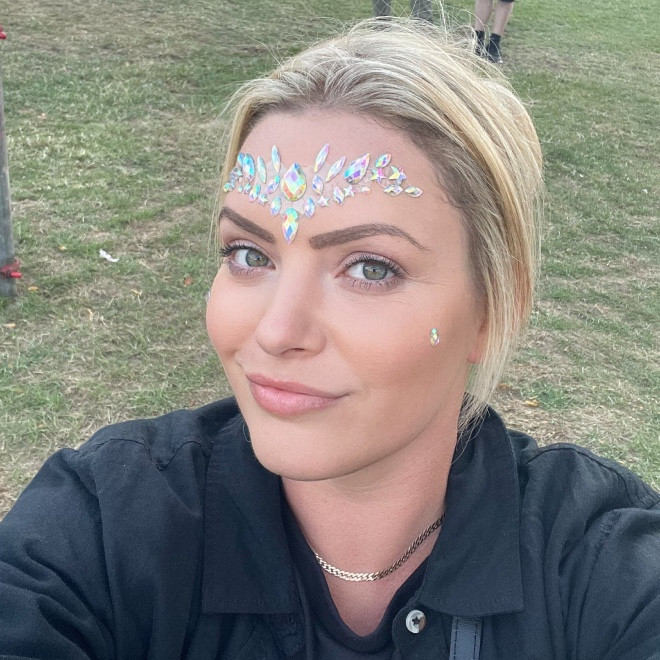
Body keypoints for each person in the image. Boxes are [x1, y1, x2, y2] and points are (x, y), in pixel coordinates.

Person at [1, 17, 659, 660]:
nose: (276, 332)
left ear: (492, 307)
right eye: (248, 254)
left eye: (370, 269)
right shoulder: (105, 526)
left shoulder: (601, 569)